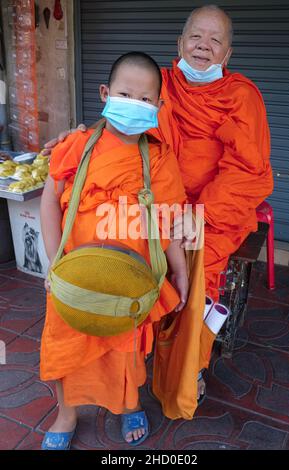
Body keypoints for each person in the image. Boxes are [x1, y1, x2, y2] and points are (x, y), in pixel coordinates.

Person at [43, 5, 273, 410]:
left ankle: (185, 371)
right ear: (179, 43)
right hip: (149, 203)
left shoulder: (241, 96)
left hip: (208, 216)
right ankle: (131, 350)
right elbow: (121, 123)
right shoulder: (158, 84)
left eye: (215, 40)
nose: (204, 46)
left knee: (196, 284)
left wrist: (195, 217)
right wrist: (78, 133)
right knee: (128, 269)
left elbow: (246, 170)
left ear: (228, 54)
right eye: (196, 37)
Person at [40, 51, 188, 449]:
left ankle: (128, 406)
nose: (135, 105)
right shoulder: (76, 146)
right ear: (106, 93)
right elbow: (49, 201)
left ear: (159, 106)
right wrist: (53, 263)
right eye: (125, 93)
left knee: (126, 351)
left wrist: (181, 271)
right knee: (63, 344)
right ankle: (65, 413)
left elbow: (169, 221)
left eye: (145, 100)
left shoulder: (158, 159)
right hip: (73, 275)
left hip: (129, 281)